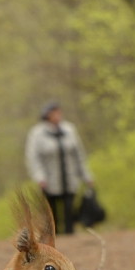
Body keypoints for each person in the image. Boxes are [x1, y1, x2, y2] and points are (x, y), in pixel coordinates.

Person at [25, 101, 94, 235]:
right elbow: (33, 158)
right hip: (49, 181)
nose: (58, 115)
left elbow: (79, 155)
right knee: (51, 214)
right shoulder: (37, 133)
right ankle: (55, 241)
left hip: (70, 179)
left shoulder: (69, 129)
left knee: (70, 210)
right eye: (54, 113)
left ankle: (70, 238)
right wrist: (39, 177)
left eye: (59, 112)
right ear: (47, 115)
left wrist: (86, 176)